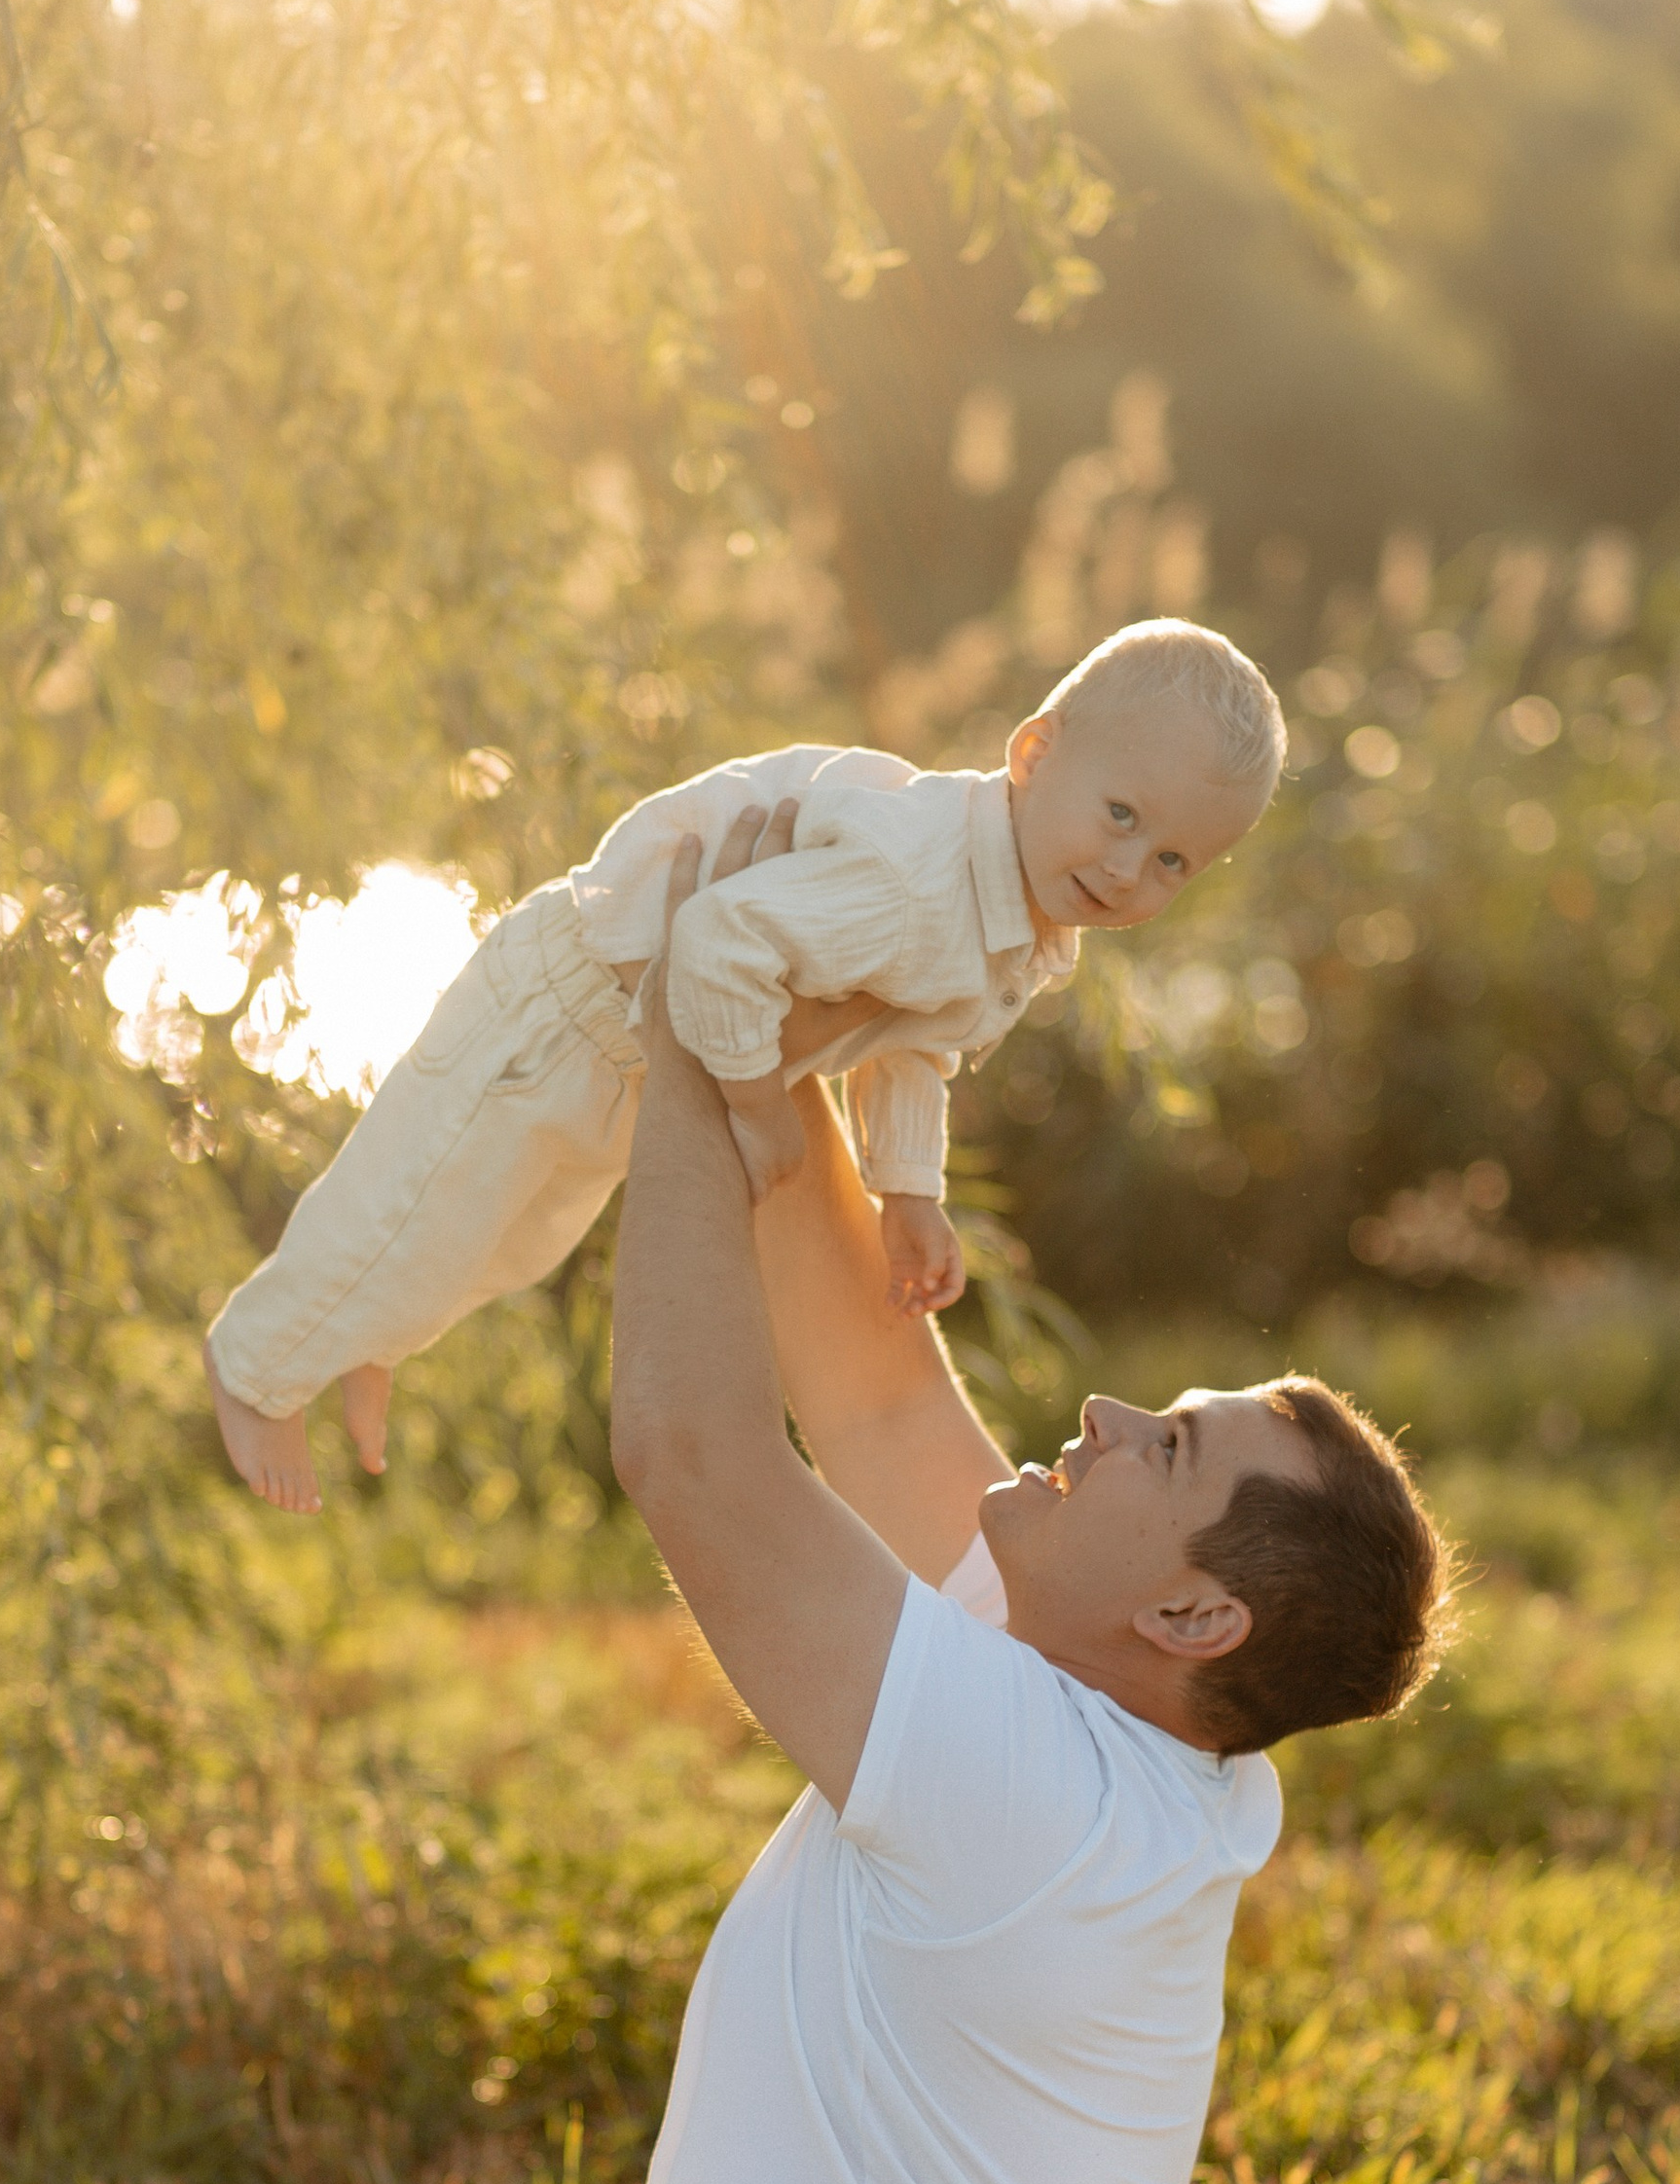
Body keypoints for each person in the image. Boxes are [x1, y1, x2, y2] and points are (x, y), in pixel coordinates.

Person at [0, 805, 1449, 2184]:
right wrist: (768, 1001)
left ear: (1189, 1607)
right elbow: (857, 1386)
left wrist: (685, 1035)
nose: (1100, 1416)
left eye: (1161, 1446)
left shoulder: (1038, 1788)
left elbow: (698, 1449)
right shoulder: (1105, 1695)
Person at [202, 616, 1285, 1512]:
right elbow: (713, 941)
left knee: (512, 1236)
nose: (1126, 868)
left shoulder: (1027, 919)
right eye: (1121, 815)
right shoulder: (918, 879)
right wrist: (759, 1107)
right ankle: (256, 1368)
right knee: (420, 1190)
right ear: (1034, 755)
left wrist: (907, 1192)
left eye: (1172, 860)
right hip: (574, 998)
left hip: (639, 1061)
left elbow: (916, 1049)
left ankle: (371, 1328)